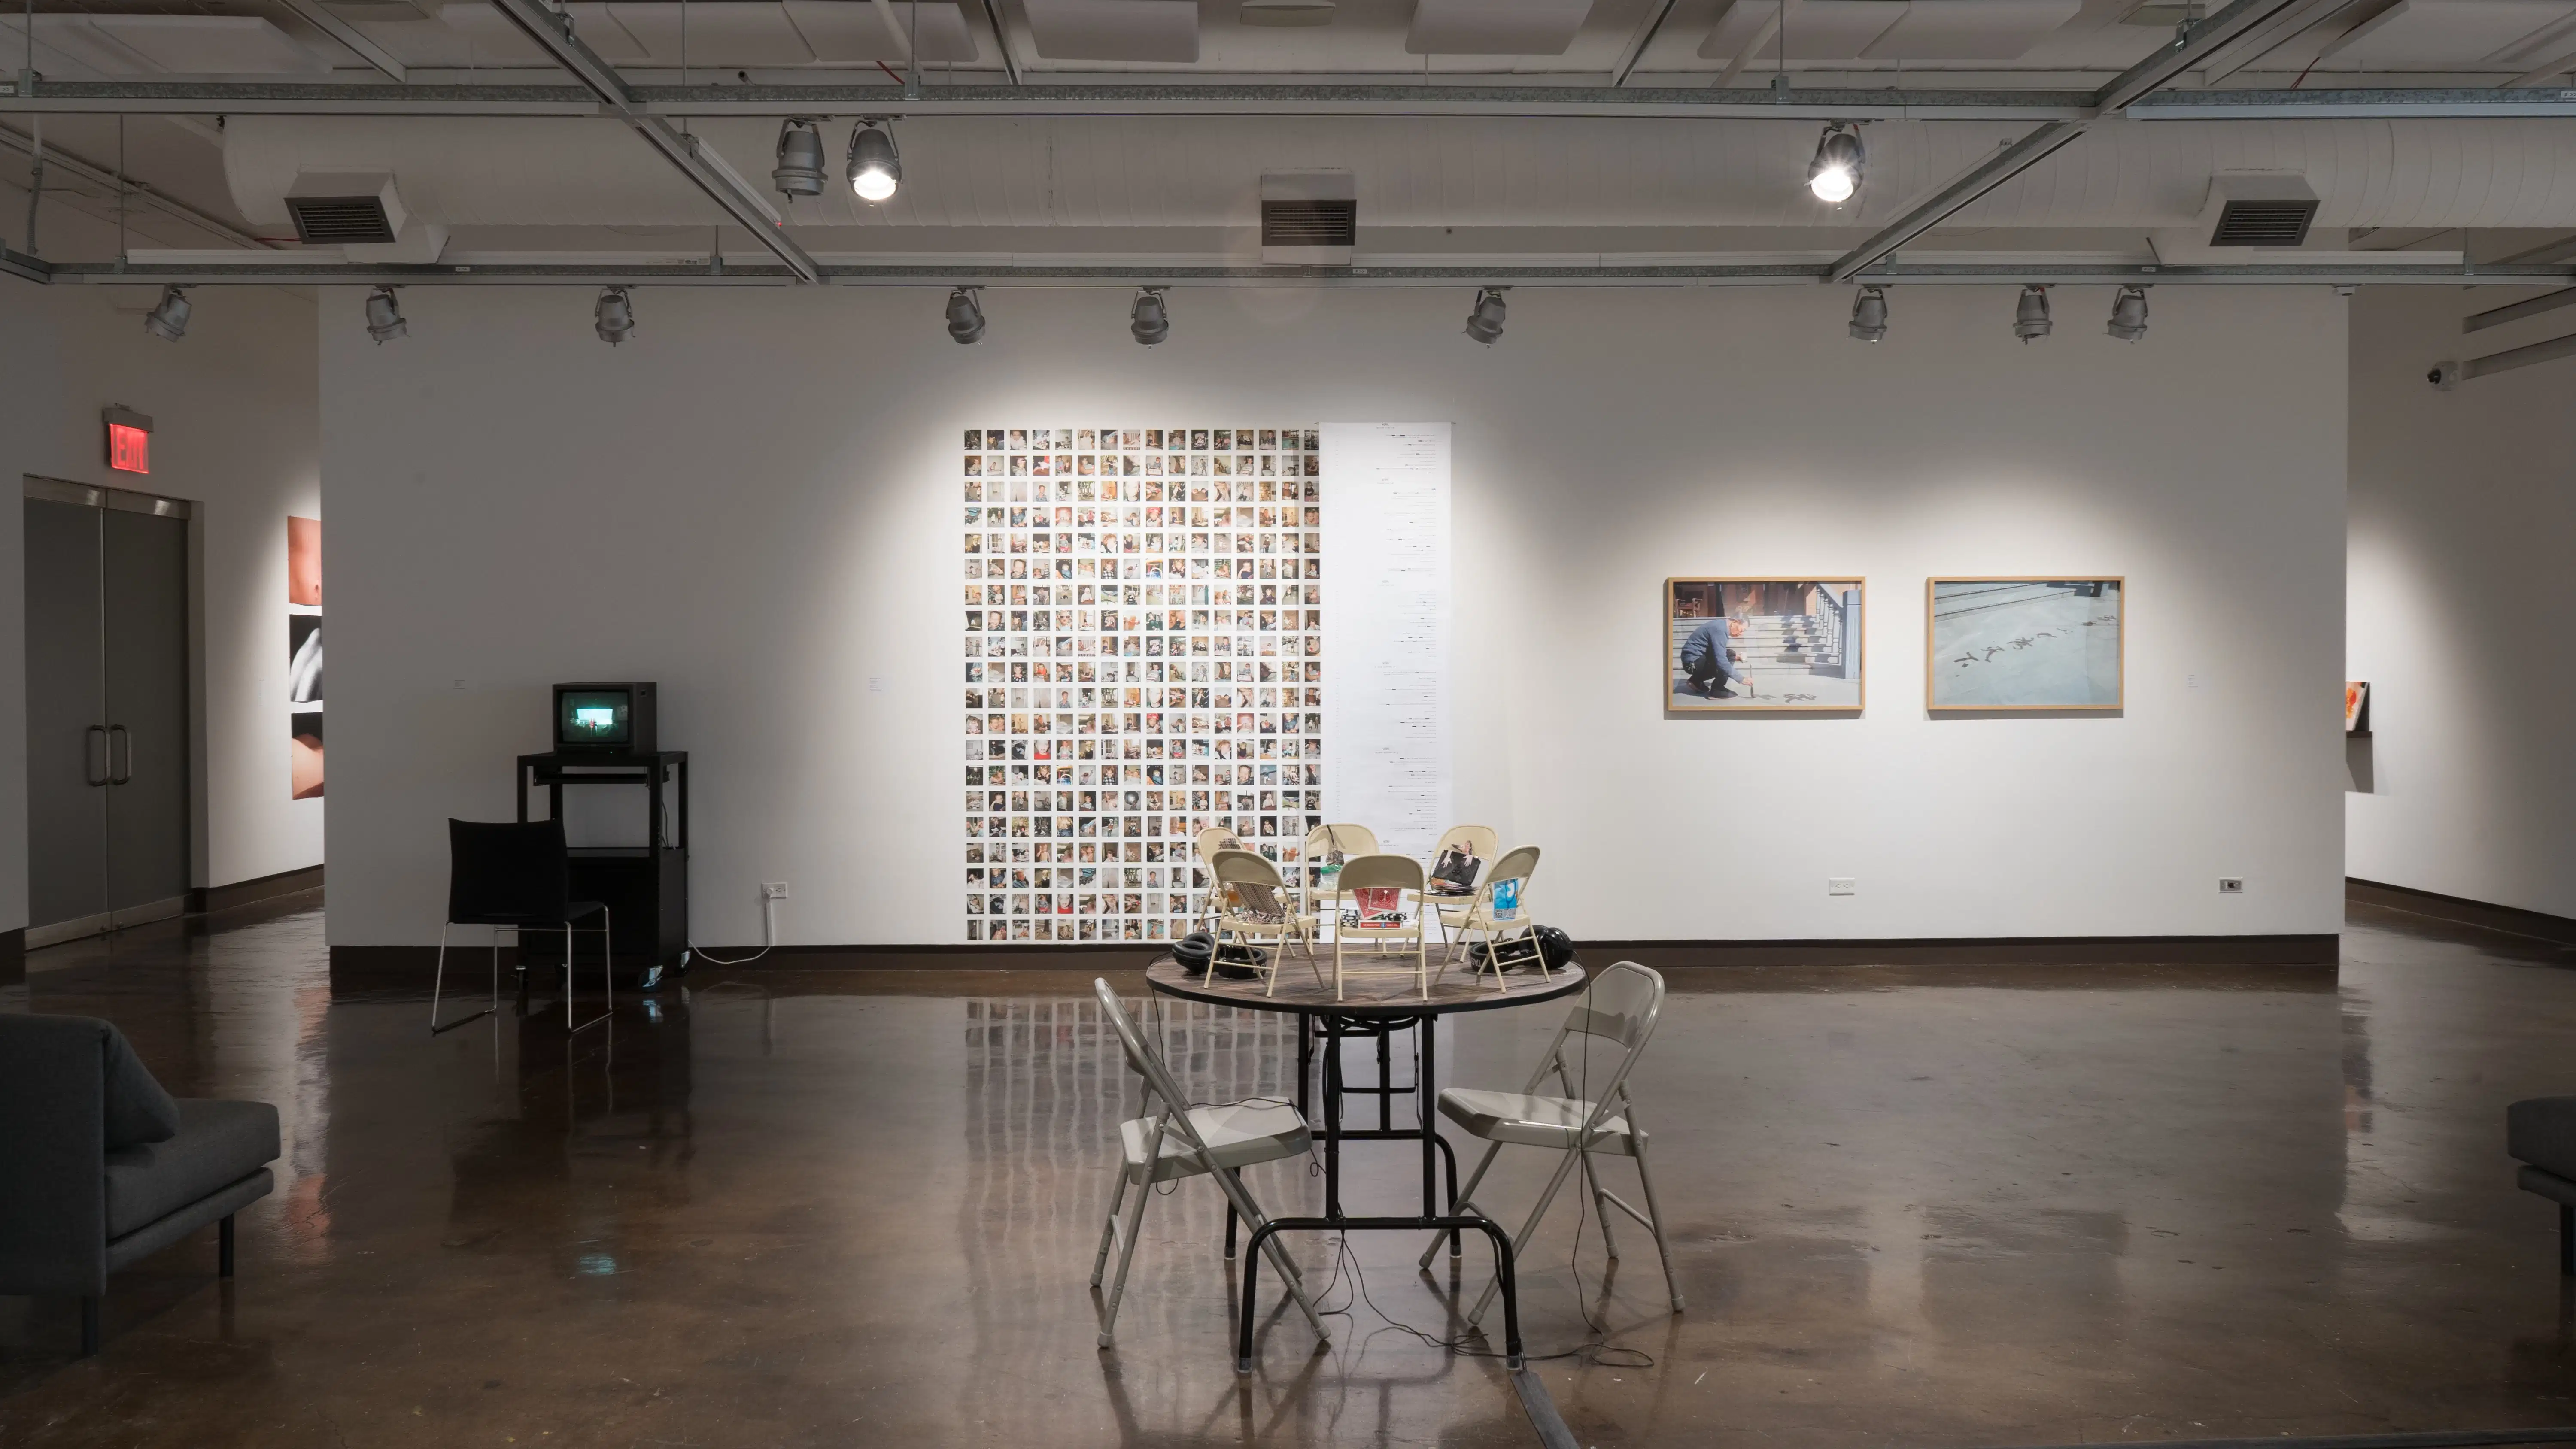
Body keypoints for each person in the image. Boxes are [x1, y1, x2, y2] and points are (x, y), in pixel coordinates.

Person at [1679, 614, 1751, 698]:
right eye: (1741, 630)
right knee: (1728, 657)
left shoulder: (1720, 626)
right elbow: (1721, 661)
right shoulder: (1720, 629)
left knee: (1730, 655)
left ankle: (1696, 681)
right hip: (1693, 663)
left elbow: (1716, 652)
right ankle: (1717, 690)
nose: (1741, 634)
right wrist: (1741, 679)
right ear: (1735, 622)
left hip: (1694, 660)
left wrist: (1734, 658)